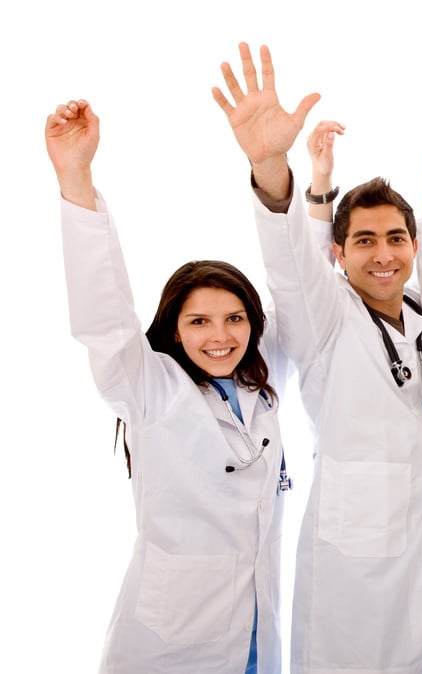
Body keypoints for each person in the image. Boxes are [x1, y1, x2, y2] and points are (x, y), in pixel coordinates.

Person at [212, 42, 422, 673]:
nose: (383, 255)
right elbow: (288, 262)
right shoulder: (324, 317)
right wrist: (271, 167)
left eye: (396, 238)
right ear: (338, 254)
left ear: (414, 245)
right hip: (354, 580)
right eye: (364, 241)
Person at [47, 99, 288, 674]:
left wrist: (278, 173)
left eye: (234, 318)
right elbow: (104, 319)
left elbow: (297, 286)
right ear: (175, 333)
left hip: (256, 629)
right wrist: (75, 176)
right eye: (198, 321)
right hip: (169, 641)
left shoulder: (264, 380)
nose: (220, 337)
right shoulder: (150, 388)